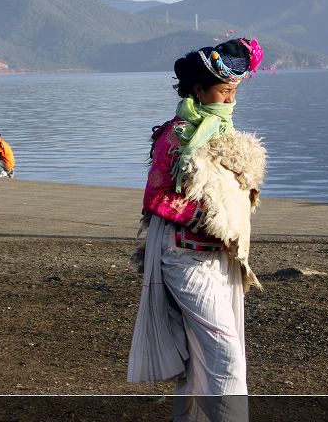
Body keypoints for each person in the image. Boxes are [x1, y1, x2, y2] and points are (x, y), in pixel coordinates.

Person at [127, 38, 267, 422]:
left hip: (218, 260)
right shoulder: (177, 137)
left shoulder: (224, 136)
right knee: (226, 356)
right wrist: (212, 218)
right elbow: (156, 197)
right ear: (198, 90)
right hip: (184, 259)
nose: (229, 99)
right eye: (223, 91)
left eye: (234, 91)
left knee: (200, 358)